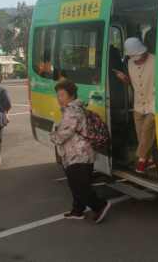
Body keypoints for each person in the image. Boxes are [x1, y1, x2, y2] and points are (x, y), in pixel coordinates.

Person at [49, 80, 110, 223]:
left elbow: (66, 132)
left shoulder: (70, 111)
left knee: (77, 184)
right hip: (83, 152)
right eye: (58, 95)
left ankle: (100, 205)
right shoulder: (76, 108)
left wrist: (55, 138)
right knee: (79, 183)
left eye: (62, 95)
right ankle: (78, 210)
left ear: (71, 96)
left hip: (77, 154)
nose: (59, 98)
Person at [114, 37, 156, 173]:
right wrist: (125, 80)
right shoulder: (130, 63)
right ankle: (150, 160)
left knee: (147, 131)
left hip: (152, 103)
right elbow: (134, 82)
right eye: (131, 55)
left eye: (134, 54)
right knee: (140, 133)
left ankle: (141, 161)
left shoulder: (155, 60)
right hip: (138, 103)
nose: (133, 57)